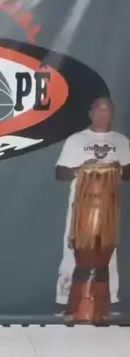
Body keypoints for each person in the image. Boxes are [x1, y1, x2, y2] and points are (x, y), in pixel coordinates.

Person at [55, 97, 130, 314]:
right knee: (73, 251)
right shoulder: (76, 140)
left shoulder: (121, 141)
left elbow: (128, 174)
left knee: (108, 252)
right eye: (99, 108)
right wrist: (84, 169)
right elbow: (60, 173)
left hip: (108, 207)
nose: (103, 112)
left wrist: (115, 168)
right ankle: (64, 299)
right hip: (81, 206)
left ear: (113, 114)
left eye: (107, 109)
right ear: (91, 113)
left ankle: (110, 299)